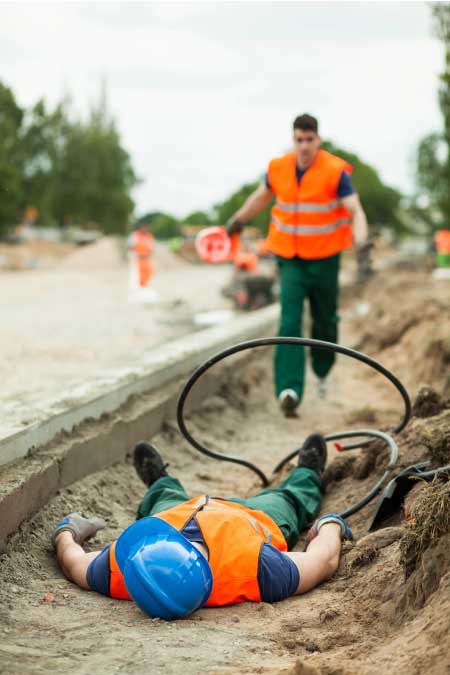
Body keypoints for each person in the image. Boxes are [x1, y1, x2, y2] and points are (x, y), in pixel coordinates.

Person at [52, 434, 352, 621]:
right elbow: (322, 561)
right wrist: (329, 526)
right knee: (289, 498)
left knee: (164, 498)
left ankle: (160, 482)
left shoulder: (125, 570)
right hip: (255, 516)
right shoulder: (260, 569)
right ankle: (307, 472)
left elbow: (73, 562)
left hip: (176, 512)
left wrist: (68, 530)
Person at [226, 114, 372, 417]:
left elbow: (355, 211)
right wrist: (238, 219)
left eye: (309, 140)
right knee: (290, 320)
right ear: (293, 140)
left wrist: (362, 246)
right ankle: (288, 390)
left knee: (325, 319)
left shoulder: (335, 172)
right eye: (299, 140)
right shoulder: (278, 168)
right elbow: (259, 198)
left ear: (318, 140)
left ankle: (321, 369)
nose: (304, 146)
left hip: (325, 258)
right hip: (289, 258)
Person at [128, 223, 154, 289]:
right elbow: (131, 246)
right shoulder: (135, 235)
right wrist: (136, 253)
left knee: (148, 271)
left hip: (146, 258)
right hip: (137, 257)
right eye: (143, 228)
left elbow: (151, 247)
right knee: (137, 273)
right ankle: (138, 286)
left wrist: (148, 254)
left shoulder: (149, 236)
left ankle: (144, 284)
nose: (144, 229)